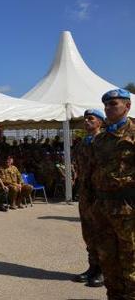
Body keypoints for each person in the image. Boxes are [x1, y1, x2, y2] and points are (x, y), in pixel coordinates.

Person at [86, 89, 135, 299]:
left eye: (113, 104)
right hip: (103, 210)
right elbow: (92, 172)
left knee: (131, 265)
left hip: (128, 210)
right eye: (106, 105)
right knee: (109, 264)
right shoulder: (100, 139)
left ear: (127, 106)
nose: (108, 108)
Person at [73, 109, 105, 287]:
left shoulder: (105, 141)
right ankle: (92, 267)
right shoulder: (83, 143)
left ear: (100, 122)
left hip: (100, 193)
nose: (86, 121)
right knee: (88, 232)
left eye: (91, 119)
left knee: (101, 232)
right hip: (85, 193)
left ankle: (103, 270)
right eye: (85, 119)